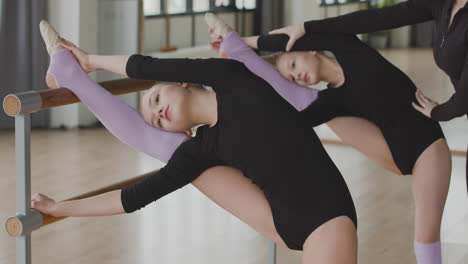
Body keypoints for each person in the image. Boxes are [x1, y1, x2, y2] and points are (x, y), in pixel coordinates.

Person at [32, 20, 358, 263]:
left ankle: (70, 70)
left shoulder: (230, 78)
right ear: (179, 130)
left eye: (156, 97)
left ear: (182, 82)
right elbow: (131, 199)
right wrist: (62, 208)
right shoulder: (201, 150)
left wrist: (91, 61)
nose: (158, 110)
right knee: (167, 150)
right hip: (283, 223)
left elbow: (145, 65)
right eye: (157, 118)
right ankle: (68, 73)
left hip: (326, 217)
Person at [207, 11, 452, 264]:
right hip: (394, 154)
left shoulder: (347, 47)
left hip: (427, 147)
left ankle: (234, 43)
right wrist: (238, 53)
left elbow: (290, 39)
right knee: (310, 106)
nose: (297, 76)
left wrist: (246, 41)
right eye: (292, 77)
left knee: (425, 235)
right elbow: (287, 98)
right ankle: (234, 47)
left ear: (311, 50)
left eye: (293, 65)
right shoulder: (332, 102)